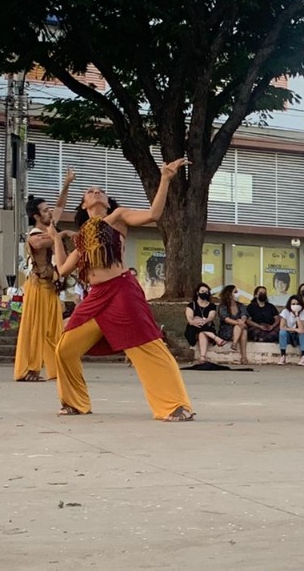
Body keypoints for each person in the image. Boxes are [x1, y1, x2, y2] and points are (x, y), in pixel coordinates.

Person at [46, 159, 195, 421]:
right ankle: (74, 403)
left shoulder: (117, 218)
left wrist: (165, 179)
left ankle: (175, 405)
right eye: (90, 191)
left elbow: (153, 214)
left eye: (100, 190)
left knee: (147, 346)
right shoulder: (81, 238)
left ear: (107, 202)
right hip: (95, 297)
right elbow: (62, 269)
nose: (95, 192)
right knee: (65, 348)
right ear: (84, 204)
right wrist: (57, 239)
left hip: (121, 291)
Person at [15, 172, 74, 382]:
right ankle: (29, 370)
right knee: (35, 329)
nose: (50, 213)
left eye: (48, 210)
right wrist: (63, 234)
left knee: (54, 330)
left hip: (51, 287)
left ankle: (56, 369)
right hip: (37, 286)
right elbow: (40, 243)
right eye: (45, 211)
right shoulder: (34, 235)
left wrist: (66, 184)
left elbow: (60, 206)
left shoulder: (50, 228)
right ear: (36, 216)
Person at [184, 282, 226, 363]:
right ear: (197, 292)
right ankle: (216, 338)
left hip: (207, 326)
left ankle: (202, 357)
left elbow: (211, 317)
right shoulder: (191, 305)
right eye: (202, 291)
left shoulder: (212, 305)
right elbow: (189, 318)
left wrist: (204, 321)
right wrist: (195, 321)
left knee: (202, 332)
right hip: (193, 328)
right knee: (200, 327)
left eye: (206, 292)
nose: (204, 293)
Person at [216, 284, 249, 364]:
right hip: (226, 330)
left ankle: (242, 355)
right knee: (240, 327)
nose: (238, 294)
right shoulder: (223, 306)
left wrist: (242, 321)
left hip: (239, 329)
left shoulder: (241, 305)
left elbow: (244, 315)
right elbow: (226, 319)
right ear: (230, 295)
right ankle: (242, 355)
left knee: (243, 330)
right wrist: (239, 323)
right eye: (235, 292)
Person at [278, 293, 304, 365]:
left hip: (298, 336)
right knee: (282, 332)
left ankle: (303, 356)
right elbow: (282, 327)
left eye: (297, 304)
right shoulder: (285, 312)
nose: (295, 306)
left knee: (302, 333)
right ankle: (283, 355)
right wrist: (295, 330)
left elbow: (302, 329)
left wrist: (297, 315)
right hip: (289, 335)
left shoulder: (303, 312)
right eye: (293, 304)